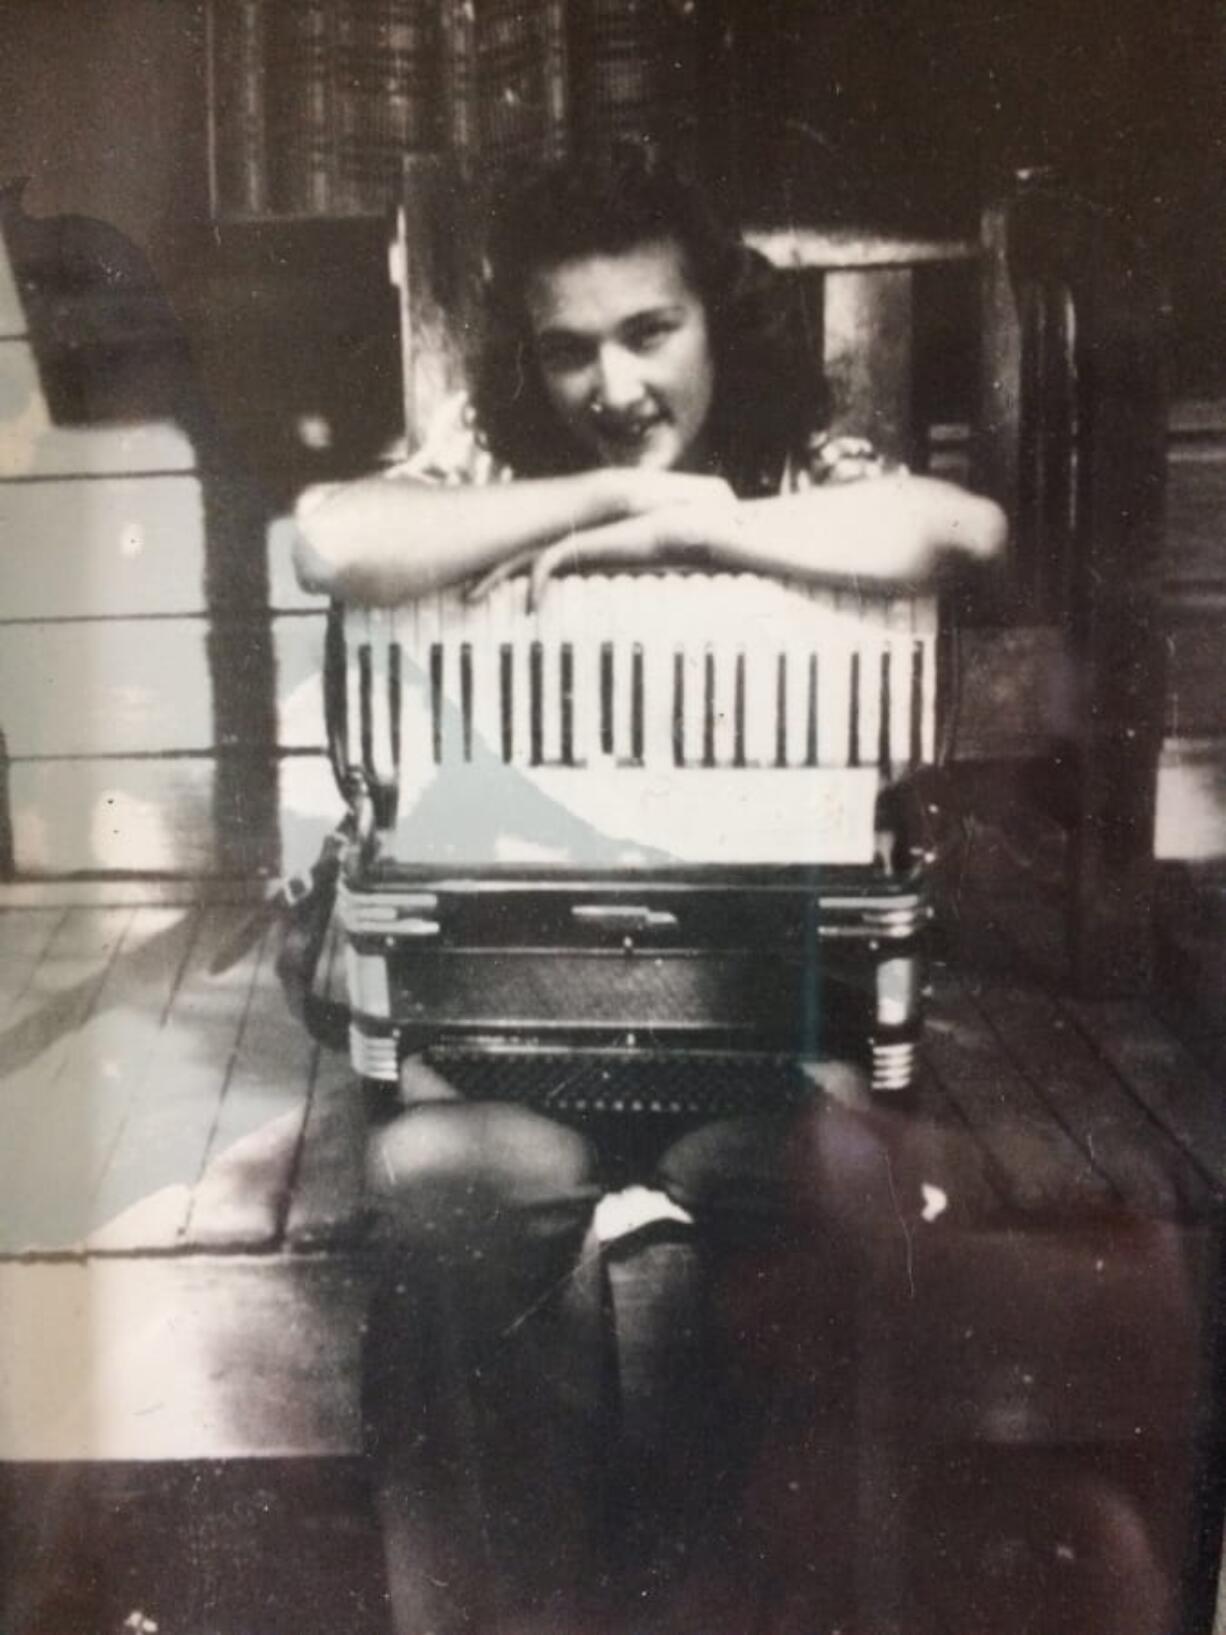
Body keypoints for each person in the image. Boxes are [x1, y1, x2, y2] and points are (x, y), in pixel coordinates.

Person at [292, 147, 1045, 1635]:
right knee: (439, 1189)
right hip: (517, 1040)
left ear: (715, 322)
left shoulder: (790, 464)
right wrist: (584, 500)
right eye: (567, 348)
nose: (611, 382)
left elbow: (960, 532)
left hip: (752, 1043)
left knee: (845, 1196)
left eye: (649, 331)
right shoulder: (498, 465)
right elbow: (334, 535)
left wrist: (690, 518)